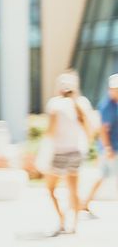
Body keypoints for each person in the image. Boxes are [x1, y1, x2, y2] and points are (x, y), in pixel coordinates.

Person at [43, 72, 93, 234]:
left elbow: (50, 132)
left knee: (51, 188)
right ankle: (75, 225)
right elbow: (89, 130)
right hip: (76, 151)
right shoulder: (82, 103)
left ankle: (62, 219)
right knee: (74, 190)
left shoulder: (55, 105)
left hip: (59, 152)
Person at [83, 73, 118, 212]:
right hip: (111, 148)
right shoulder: (107, 106)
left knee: (103, 175)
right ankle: (85, 202)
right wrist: (108, 148)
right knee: (105, 175)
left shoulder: (115, 104)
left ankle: (85, 202)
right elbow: (103, 129)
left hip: (113, 148)